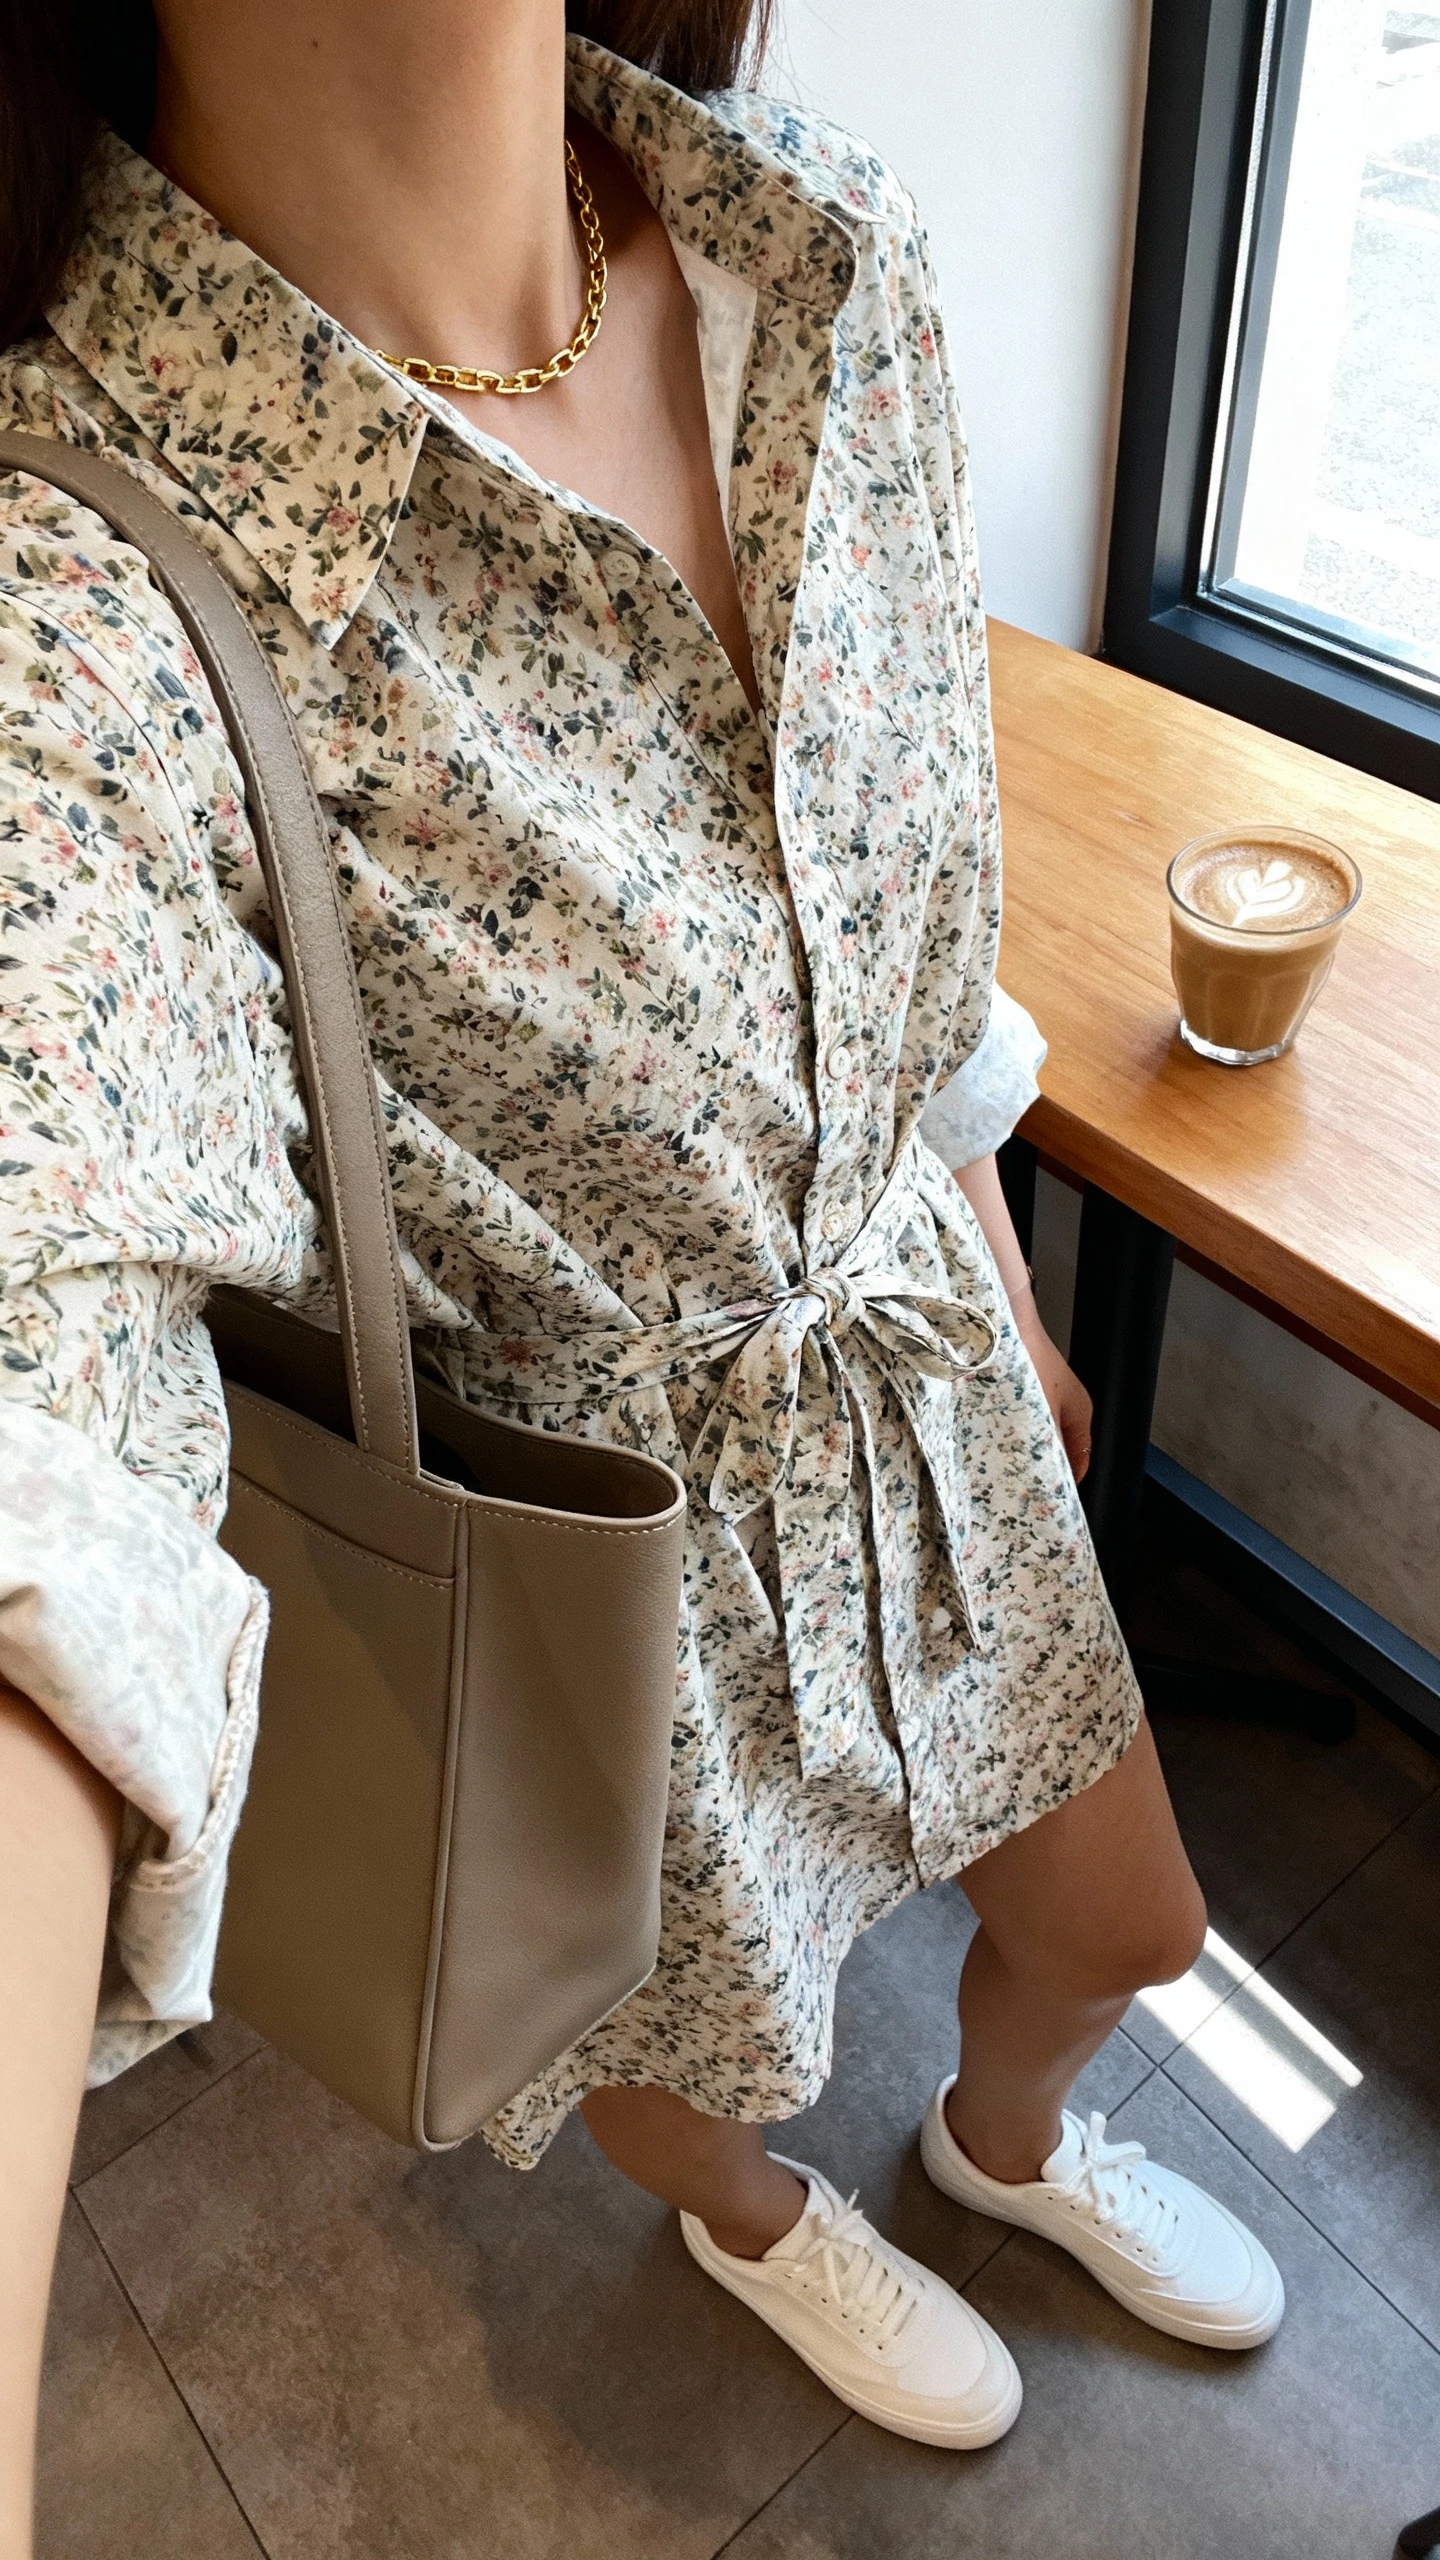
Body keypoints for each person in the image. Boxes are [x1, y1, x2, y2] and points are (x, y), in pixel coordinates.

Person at [0, 0, 1284, 2542]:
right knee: (689, 2032)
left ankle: (1006, 2139)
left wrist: (994, 1260)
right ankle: (762, 2216)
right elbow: (40, 1329)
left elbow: (915, 915)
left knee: (1128, 1911)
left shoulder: (826, 264)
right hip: (619, 1580)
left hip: (923, 1388)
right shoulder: (82, 580)